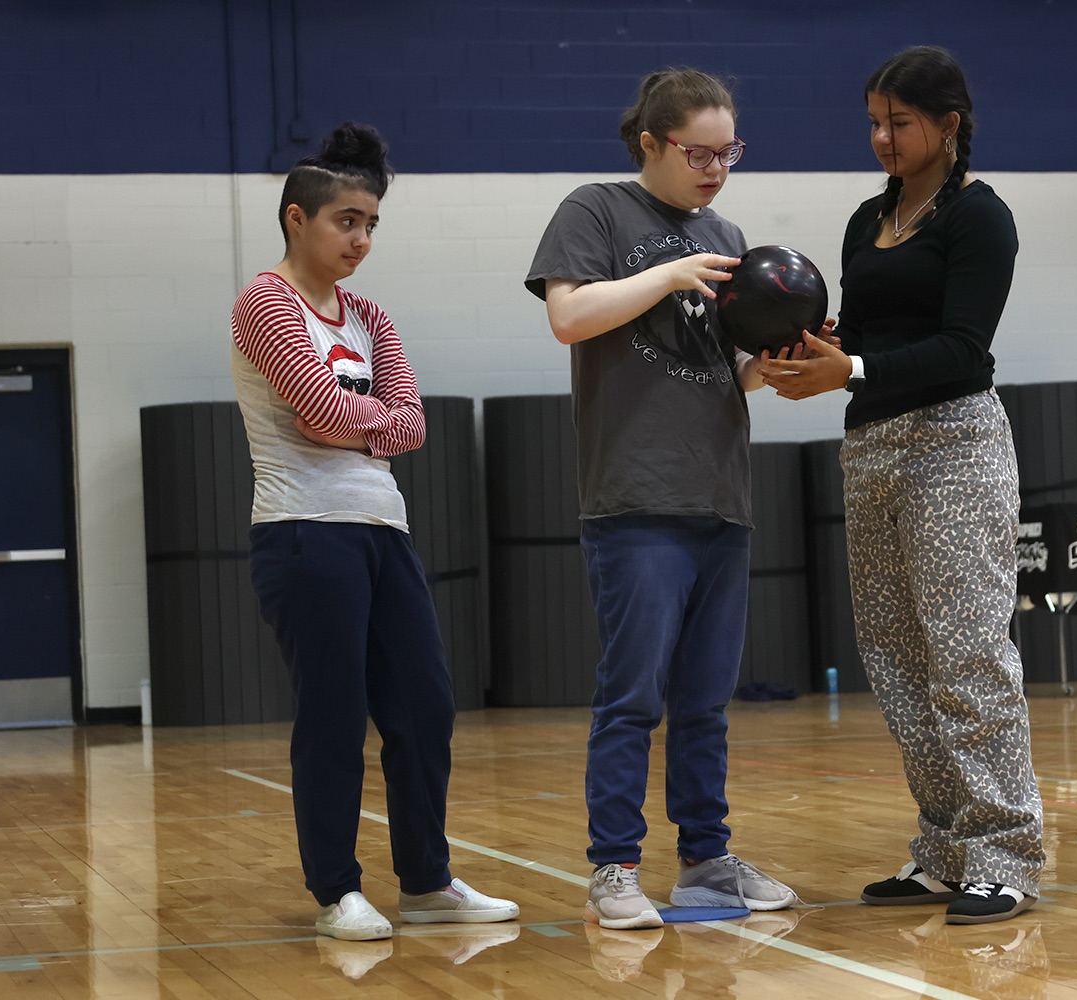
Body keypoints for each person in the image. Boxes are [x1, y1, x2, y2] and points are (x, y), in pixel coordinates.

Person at [758, 46, 1045, 925]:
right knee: (896, 660)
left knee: (966, 654)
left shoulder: (980, 219)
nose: (883, 138)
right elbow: (872, 335)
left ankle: (1007, 853)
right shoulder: (862, 219)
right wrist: (818, 347)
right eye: (875, 122)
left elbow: (962, 348)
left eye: (901, 123)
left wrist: (852, 366)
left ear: (948, 125)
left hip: (953, 446)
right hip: (872, 446)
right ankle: (946, 848)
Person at [524, 68, 799, 930]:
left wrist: (779, 365)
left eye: (730, 152)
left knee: (705, 703)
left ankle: (707, 863)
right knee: (631, 697)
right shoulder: (596, 210)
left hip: (721, 495)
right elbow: (568, 318)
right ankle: (612, 867)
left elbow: (728, 371)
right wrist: (670, 273)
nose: (717, 169)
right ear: (651, 142)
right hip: (634, 499)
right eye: (700, 152)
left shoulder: (725, 232)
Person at [231, 122, 519, 941]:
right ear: (298, 219)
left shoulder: (367, 316)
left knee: (425, 707)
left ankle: (427, 882)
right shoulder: (265, 302)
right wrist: (366, 420)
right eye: (345, 221)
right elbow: (321, 416)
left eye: (370, 225)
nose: (360, 239)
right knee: (333, 712)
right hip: (303, 531)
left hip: (382, 531)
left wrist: (356, 422)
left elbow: (410, 424)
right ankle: (337, 890)